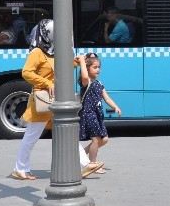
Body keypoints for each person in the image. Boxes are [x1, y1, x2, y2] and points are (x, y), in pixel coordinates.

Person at [11, 19, 104, 181]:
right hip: (43, 101)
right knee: (32, 137)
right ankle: (20, 168)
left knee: (68, 131)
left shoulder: (54, 52)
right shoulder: (37, 53)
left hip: (55, 101)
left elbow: (60, 66)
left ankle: (85, 163)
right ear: (46, 34)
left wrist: (77, 61)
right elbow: (26, 73)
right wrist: (46, 83)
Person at [77, 52, 122, 172]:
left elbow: (106, 98)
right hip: (88, 114)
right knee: (96, 139)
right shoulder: (86, 82)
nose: (98, 70)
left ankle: (82, 154)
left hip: (97, 115)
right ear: (87, 69)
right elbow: (85, 77)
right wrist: (82, 61)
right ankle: (93, 163)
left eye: (99, 67)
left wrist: (115, 107)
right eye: (95, 67)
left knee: (104, 139)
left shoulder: (99, 83)